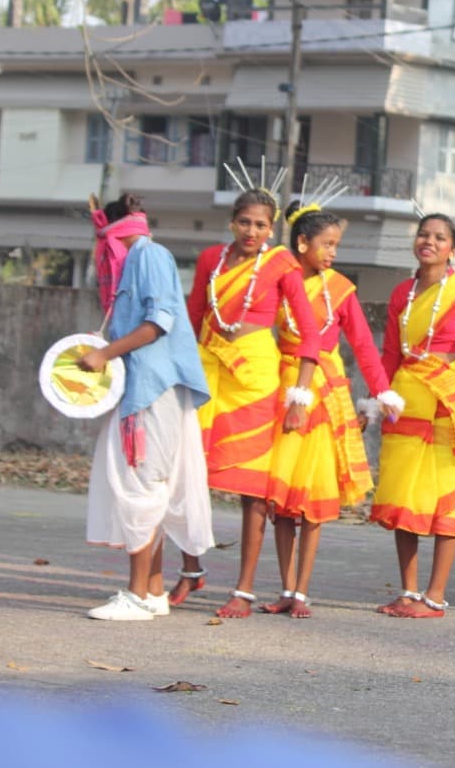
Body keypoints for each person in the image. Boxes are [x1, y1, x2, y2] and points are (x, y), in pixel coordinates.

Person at [179, 187, 322, 618]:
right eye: (245, 222)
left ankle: (243, 590)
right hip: (207, 373)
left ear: (272, 227)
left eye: (261, 224)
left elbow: (309, 333)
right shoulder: (210, 260)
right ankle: (190, 569)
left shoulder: (281, 264)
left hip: (256, 379)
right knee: (185, 474)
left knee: (252, 492)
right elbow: (192, 318)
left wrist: (300, 395)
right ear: (232, 222)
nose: (252, 231)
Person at [77, 195, 213, 620]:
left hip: (154, 389)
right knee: (147, 486)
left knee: (141, 487)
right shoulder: (135, 259)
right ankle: (153, 591)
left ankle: (136, 595)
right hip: (142, 388)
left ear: (113, 229)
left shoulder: (148, 254)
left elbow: (160, 322)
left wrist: (105, 354)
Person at [261, 202, 398, 618]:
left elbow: (363, 346)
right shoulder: (278, 282)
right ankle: (285, 587)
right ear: (302, 243)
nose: (332, 253)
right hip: (281, 389)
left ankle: (302, 592)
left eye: (336, 245)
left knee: (311, 498)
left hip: (323, 397)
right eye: (326, 244)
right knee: (280, 499)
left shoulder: (339, 288)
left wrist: (382, 394)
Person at [371, 212, 455, 619]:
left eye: (440, 237)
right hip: (406, 401)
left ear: (452, 249)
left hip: (448, 403)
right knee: (404, 494)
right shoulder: (401, 292)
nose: (430, 241)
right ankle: (408, 592)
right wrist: (379, 395)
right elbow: (390, 352)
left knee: (444, 499)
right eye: (424, 234)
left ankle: (435, 596)